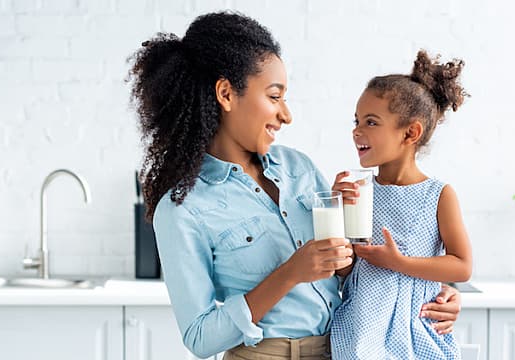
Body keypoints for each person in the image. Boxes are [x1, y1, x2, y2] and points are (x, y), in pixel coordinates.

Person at [128, 11, 462, 360]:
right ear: (226, 94)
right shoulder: (183, 207)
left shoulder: (297, 167)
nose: (286, 115)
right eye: (275, 97)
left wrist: (432, 293)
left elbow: (349, 273)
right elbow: (199, 338)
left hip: (341, 349)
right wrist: (289, 274)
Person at [330, 50, 472, 359]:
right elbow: (345, 270)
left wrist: (399, 262)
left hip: (415, 330)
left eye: (371, 122)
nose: (357, 130)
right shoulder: (359, 191)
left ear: (410, 132)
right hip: (358, 329)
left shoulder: (439, 194)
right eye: (356, 121)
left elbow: (461, 266)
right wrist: (333, 213)